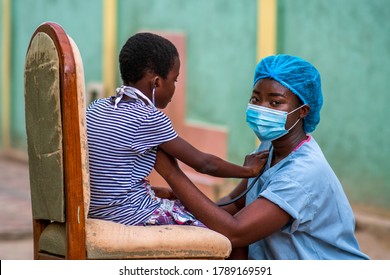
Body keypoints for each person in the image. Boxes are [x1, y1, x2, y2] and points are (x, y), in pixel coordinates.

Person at [154, 54, 369, 259]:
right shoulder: (270, 147)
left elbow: (235, 232)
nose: (261, 108)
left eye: (275, 103)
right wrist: (181, 206)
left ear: (303, 111)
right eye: (255, 99)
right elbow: (235, 203)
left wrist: (172, 173)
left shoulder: (302, 174)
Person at [86, 32, 266, 227]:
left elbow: (110, 175)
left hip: (96, 212)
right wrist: (248, 170)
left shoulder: (96, 107)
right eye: (175, 80)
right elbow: (205, 164)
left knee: (183, 203)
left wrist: (157, 191)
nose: (174, 87)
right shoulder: (149, 118)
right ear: (156, 83)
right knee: (217, 229)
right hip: (131, 216)